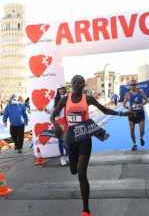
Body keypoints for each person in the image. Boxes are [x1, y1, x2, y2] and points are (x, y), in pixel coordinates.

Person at [51, 75, 135, 216]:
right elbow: (52, 117)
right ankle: (76, 166)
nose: (77, 85)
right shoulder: (65, 100)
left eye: (79, 83)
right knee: (73, 171)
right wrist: (56, 126)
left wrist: (123, 114)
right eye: (74, 83)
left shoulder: (88, 99)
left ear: (83, 85)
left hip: (85, 137)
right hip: (72, 138)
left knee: (82, 174)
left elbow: (105, 110)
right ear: (71, 85)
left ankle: (86, 209)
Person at [44, 84, 69, 166]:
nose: (62, 90)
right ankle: (62, 157)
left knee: (68, 140)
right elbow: (51, 110)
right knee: (61, 139)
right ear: (58, 90)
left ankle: (68, 155)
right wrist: (46, 109)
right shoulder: (55, 99)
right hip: (59, 122)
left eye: (63, 89)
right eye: (60, 89)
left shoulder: (68, 98)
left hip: (68, 121)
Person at [122, 79, 149, 151]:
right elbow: (123, 104)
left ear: (136, 85)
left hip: (140, 113)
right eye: (131, 85)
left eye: (134, 84)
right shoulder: (127, 94)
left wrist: (142, 104)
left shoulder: (141, 92)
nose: (133, 86)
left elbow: (147, 100)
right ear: (129, 86)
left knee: (142, 131)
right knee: (131, 130)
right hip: (132, 114)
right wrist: (128, 107)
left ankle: (141, 137)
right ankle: (134, 144)